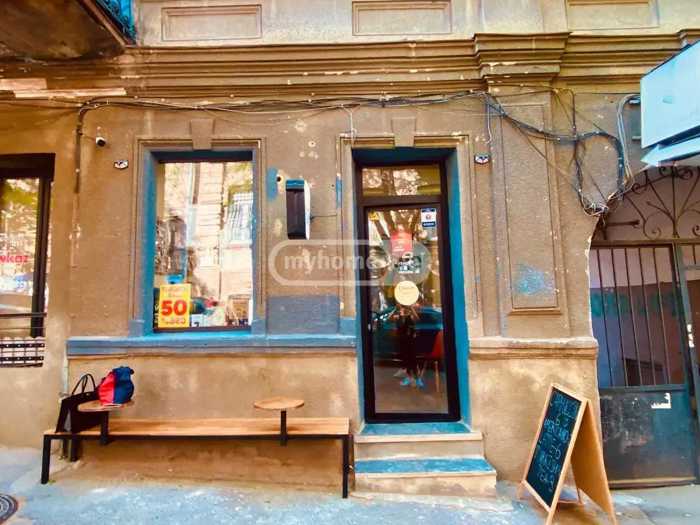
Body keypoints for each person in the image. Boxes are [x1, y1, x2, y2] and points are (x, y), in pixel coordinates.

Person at [390, 303, 423, 388]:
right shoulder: (398, 316)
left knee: (413, 360)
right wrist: (395, 309)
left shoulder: (410, 316)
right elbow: (389, 318)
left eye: (404, 308)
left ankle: (417, 379)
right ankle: (409, 378)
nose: (403, 309)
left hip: (411, 341)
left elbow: (417, 319)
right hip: (402, 341)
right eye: (402, 308)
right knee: (406, 361)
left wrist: (411, 308)